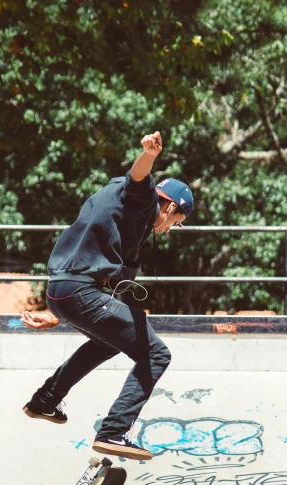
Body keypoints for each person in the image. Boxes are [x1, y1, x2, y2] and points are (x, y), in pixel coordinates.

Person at [20, 131, 194, 461]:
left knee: (108, 341)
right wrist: (149, 154)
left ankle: (45, 400)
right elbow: (139, 178)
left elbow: (107, 276)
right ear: (170, 207)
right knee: (157, 354)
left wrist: (57, 314)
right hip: (81, 291)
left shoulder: (121, 209)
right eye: (177, 222)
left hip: (62, 291)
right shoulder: (141, 202)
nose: (171, 229)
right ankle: (114, 431)